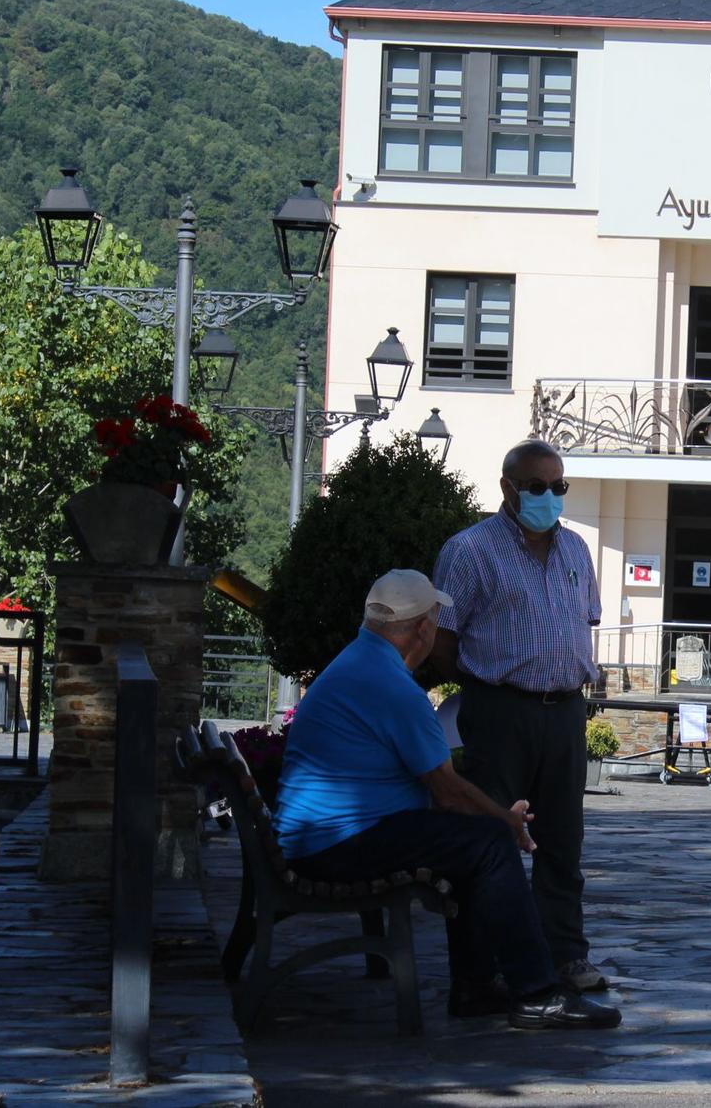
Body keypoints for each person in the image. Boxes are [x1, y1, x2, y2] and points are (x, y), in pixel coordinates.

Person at [273, 569, 620, 1029]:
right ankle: (536, 992)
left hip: (324, 836)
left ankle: (476, 986)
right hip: (337, 844)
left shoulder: (360, 662)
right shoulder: (392, 686)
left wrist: (495, 818)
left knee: (476, 841)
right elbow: (448, 791)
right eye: (436, 621)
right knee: (489, 845)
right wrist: (507, 821)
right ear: (423, 629)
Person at [429, 439, 609, 994]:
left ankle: (564, 956)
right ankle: (485, 966)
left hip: (565, 712)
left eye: (559, 487)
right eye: (537, 487)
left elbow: (587, 620)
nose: (549, 496)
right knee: (490, 838)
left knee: (563, 842)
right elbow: (441, 641)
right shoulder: (469, 551)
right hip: (500, 709)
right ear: (508, 487)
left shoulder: (577, 550)